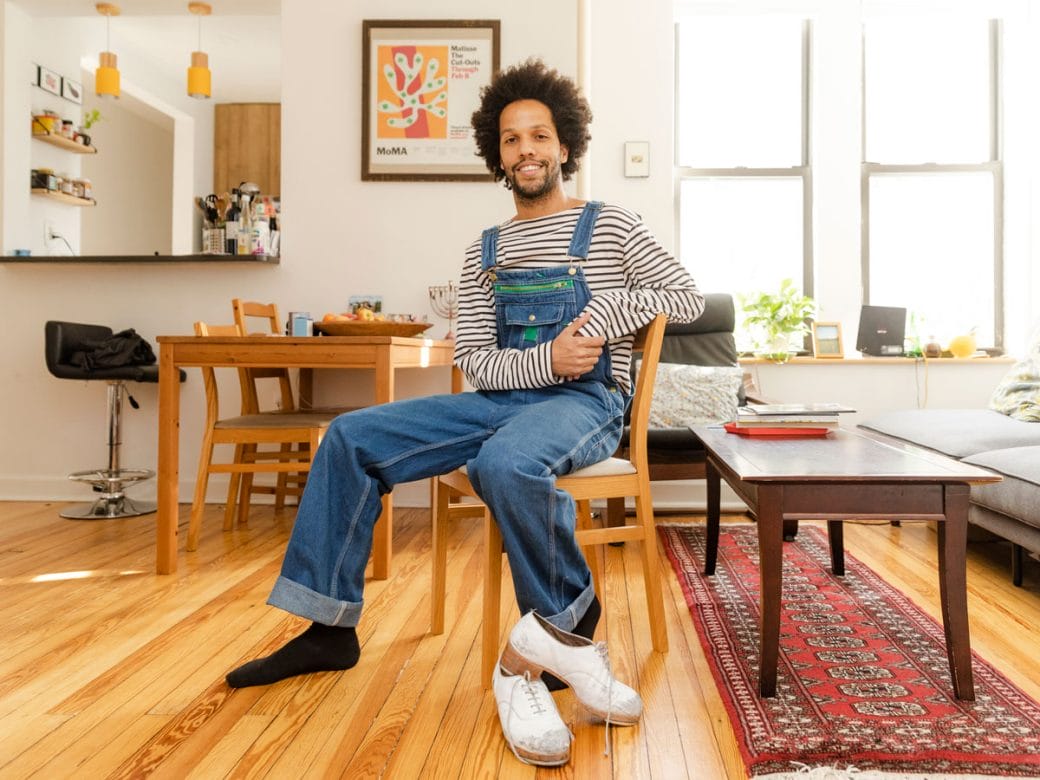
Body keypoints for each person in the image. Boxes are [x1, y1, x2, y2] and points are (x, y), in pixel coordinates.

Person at [225, 58, 703, 766]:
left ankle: (564, 627)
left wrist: (604, 316)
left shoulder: (611, 227)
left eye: (539, 135)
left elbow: (685, 296)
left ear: (566, 145)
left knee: (505, 464)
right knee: (351, 435)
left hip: (587, 400)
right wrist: (546, 360)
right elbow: (479, 360)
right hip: (502, 396)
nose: (527, 150)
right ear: (497, 156)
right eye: (511, 140)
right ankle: (329, 629)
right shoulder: (484, 251)